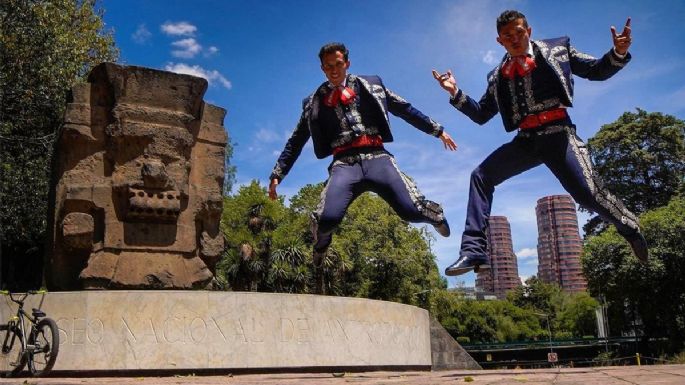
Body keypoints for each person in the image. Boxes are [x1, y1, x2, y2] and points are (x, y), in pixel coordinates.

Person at [432, 10, 648, 276]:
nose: (514, 39)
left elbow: (595, 70)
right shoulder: (497, 75)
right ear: (499, 41)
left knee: (588, 194)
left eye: (519, 32)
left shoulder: (558, 49)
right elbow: (481, 114)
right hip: (526, 140)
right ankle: (473, 251)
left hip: (558, 134)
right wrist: (455, 93)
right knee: (481, 175)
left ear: (529, 31)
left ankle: (629, 226)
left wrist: (617, 52)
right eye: (507, 35)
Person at [269, 42, 457, 268]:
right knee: (325, 219)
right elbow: (296, 140)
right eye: (328, 66)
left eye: (338, 64)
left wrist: (438, 131)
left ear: (347, 63)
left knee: (411, 211)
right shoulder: (313, 102)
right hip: (344, 165)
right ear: (322, 69)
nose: (334, 70)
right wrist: (278, 173)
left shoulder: (371, 85)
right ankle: (321, 244)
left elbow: (405, 109)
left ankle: (434, 215)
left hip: (378, 157)